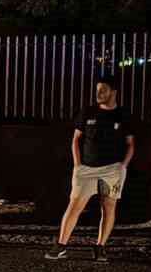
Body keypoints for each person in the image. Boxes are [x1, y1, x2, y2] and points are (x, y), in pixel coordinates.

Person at [45, 75, 135, 262]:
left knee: (108, 207)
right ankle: (61, 245)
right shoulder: (88, 111)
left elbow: (131, 143)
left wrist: (123, 166)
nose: (98, 93)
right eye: (97, 90)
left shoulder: (123, 114)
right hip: (86, 169)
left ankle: (100, 247)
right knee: (74, 205)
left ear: (114, 92)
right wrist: (78, 164)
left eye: (103, 90)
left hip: (112, 170)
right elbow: (76, 139)